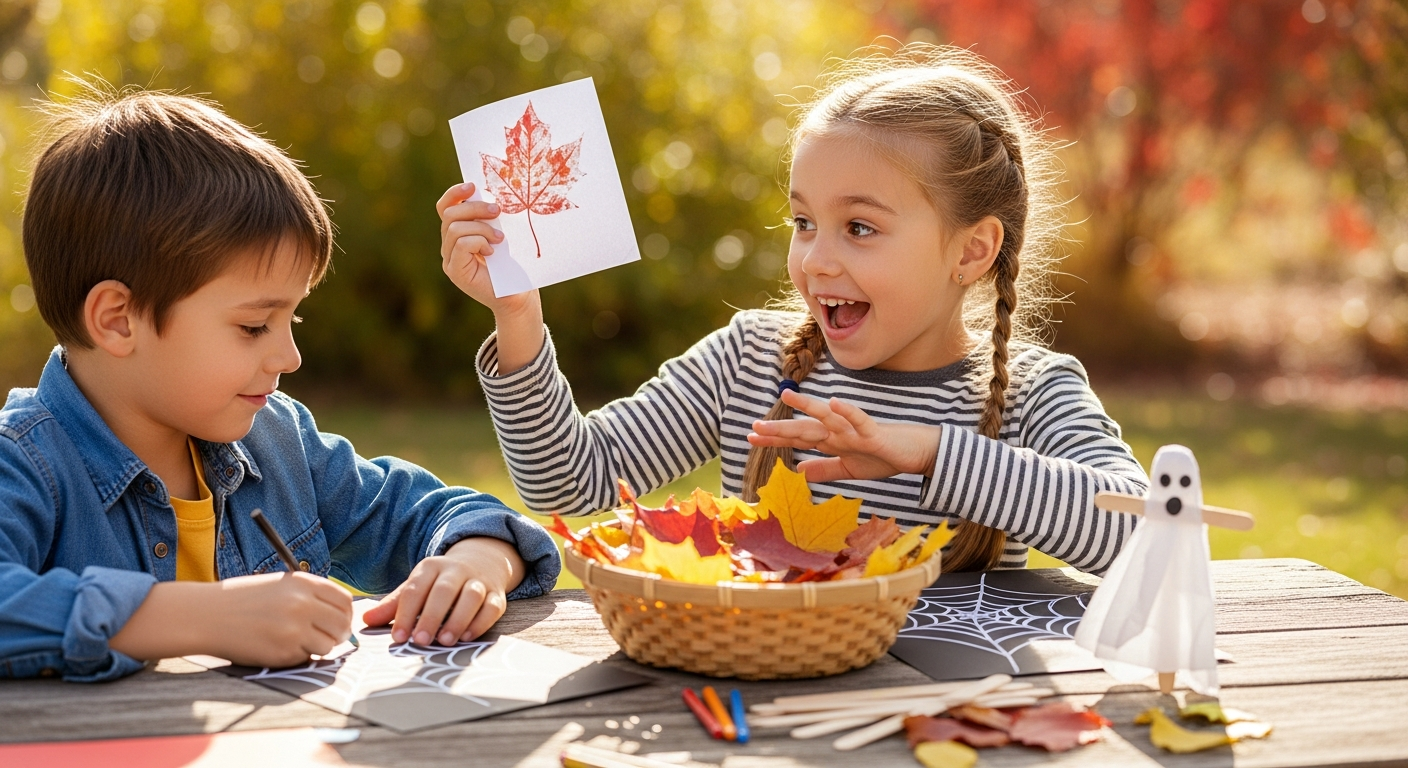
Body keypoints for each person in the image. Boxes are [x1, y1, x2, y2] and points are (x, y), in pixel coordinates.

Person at [438, 44, 1147, 576]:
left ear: (971, 252)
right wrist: (518, 318)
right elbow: (570, 480)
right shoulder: (751, 362)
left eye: (859, 228)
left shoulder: (1031, 393)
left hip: (943, 719)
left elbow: (1141, 536)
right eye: (803, 223)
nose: (816, 260)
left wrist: (931, 453)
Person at [0, 88, 559, 682]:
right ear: (118, 319)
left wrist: (476, 562)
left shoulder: (277, 442)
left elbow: (439, 513)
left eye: (291, 320)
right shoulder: (24, 464)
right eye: (253, 325)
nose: (290, 356)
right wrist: (201, 618)